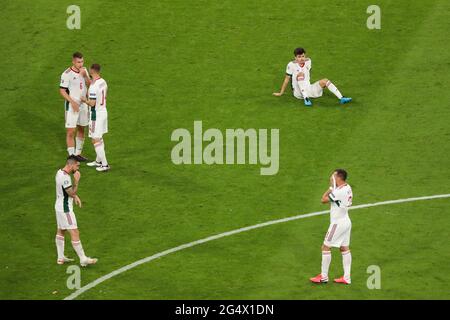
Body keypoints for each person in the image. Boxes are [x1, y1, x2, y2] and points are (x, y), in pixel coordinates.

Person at [310, 169, 353, 284]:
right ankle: (346, 278)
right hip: (346, 221)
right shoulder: (347, 187)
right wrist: (334, 188)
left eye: (333, 175)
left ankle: (323, 277)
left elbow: (323, 199)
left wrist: (330, 189)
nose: (331, 177)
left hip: (337, 224)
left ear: (338, 177)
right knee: (344, 248)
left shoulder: (338, 192)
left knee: (325, 247)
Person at [54, 155, 98, 266]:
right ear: (71, 164)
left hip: (59, 206)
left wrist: (75, 197)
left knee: (61, 230)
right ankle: (83, 258)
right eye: (77, 166)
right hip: (66, 209)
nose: (78, 168)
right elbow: (71, 192)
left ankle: (60, 257)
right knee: (74, 231)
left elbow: (68, 192)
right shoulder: (65, 178)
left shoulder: (59, 172)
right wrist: (77, 181)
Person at [273, 47, 352, 107]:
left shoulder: (308, 61)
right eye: (299, 57)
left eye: (303, 56)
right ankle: (306, 99)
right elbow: (287, 79)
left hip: (309, 88)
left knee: (325, 80)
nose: (301, 58)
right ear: (295, 58)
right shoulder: (291, 65)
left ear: (305, 55)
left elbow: (307, 75)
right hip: (298, 93)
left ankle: (342, 98)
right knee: (300, 75)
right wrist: (281, 92)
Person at [59, 52, 91, 161]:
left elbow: (90, 84)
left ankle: (78, 154)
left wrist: (85, 75)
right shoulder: (66, 74)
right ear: (73, 61)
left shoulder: (84, 70)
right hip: (72, 105)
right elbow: (62, 90)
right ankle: (71, 155)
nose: (81, 64)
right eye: (78, 62)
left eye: (82, 61)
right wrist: (72, 102)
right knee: (71, 131)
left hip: (83, 105)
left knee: (82, 128)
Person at [81, 64, 110, 172]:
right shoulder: (103, 81)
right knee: (99, 137)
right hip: (103, 111)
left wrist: (84, 100)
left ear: (92, 71)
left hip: (96, 115)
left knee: (95, 139)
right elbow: (105, 95)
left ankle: (105, 165)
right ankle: (98, 161)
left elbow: (92, 103)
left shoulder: (93, 87)